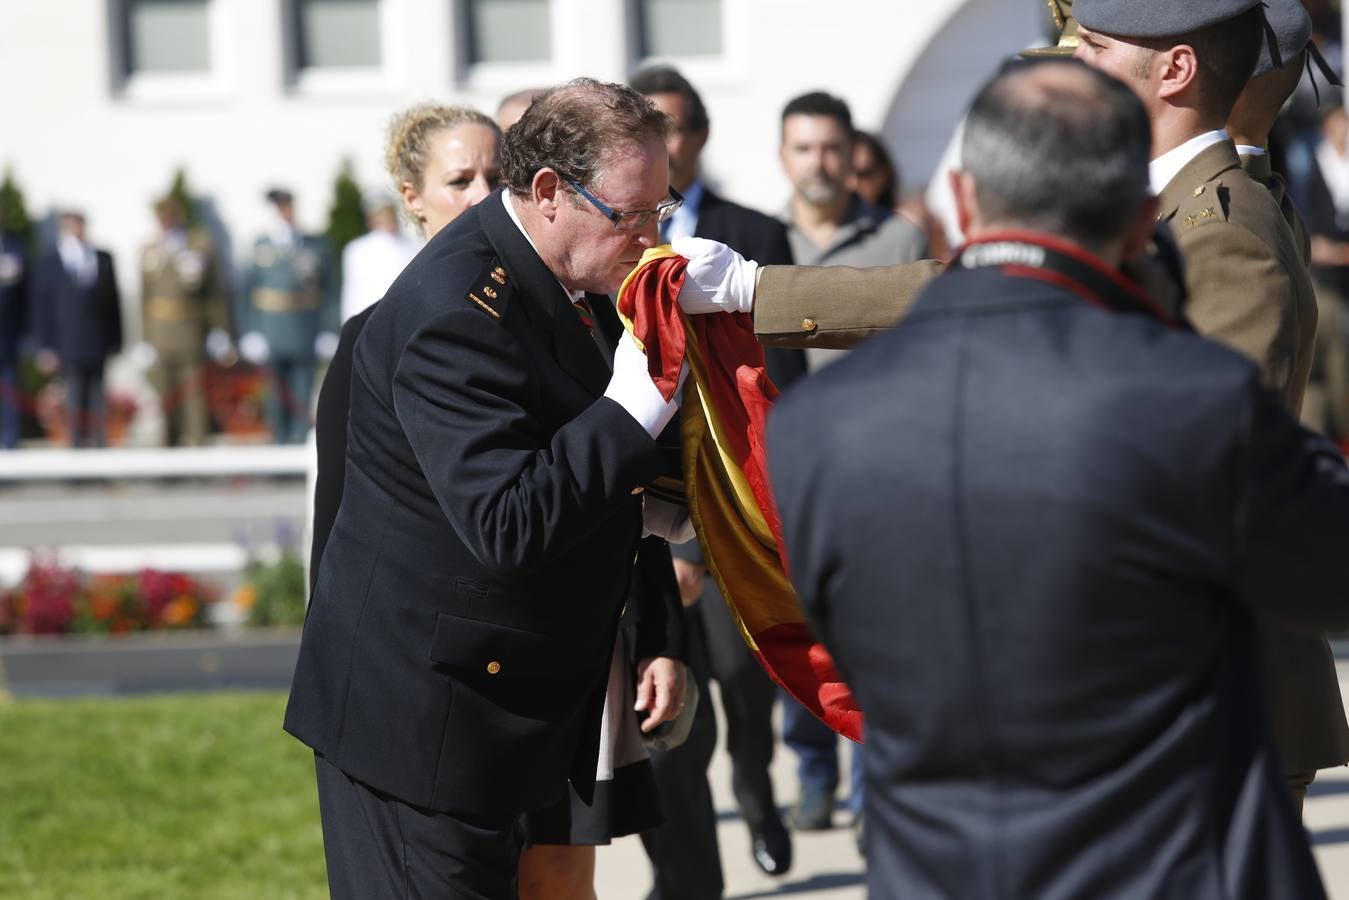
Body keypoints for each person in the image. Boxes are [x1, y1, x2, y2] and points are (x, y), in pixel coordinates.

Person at [768, 57, 1348, 900]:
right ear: (1143, 219)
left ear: (961, 205)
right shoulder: (1193, 397)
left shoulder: (816, 428)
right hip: (1171, 867)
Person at [286, 79, 691, 899]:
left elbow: (601, 474)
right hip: (423, 727)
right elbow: (508, 520)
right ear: (547, 193)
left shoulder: (565, 277)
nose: (651, 237)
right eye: (632, 215)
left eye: (663, 208)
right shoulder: (454, 310)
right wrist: (632, 405)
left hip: (500, 704)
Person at [629, 63, 796, 890]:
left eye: (676, 126)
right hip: (647, 512)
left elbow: (786, 375)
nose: (665, 141)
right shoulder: (610, 242)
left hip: (735, 504)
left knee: (742, 677)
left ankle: (760, 795)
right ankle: (690, 864)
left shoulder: (753, 230)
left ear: (698, 135)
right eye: (646, 127)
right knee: (674, 703)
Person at [237, 188, 338, 445]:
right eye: (280, 207)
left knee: (302, 391)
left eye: (288, 206)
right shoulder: (261, 246)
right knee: (274, 394)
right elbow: (248, 292)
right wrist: (250, 331)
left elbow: (328, 291)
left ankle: (297, 444)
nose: (285, 212)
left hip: (304, 328)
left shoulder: (314, 245)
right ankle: (278, 445)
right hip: (271, 328)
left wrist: (328, 329)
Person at [135, 195, 231, 447]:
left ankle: (197, 449)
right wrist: (143, 338)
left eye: (170, 216)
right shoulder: (149, 249)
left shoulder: (199, 245)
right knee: (165, 397)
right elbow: (144, 298)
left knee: (193, 398)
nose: (165, 222)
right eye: (161, 218)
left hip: (191, 331)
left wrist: (219, 330)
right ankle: (168, 454)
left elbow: (213, 294)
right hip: (160, 333)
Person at [33, 211, 122, 448]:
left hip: (97, 342)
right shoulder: (51, 261)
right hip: (68, 343)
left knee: (97, 401)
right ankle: (76, 454)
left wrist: (116, 341)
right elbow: (43, 307)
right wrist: (45, 347)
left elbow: (113, 304)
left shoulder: (100, 258)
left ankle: (99, 451)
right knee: (74, 400)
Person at [337, 190, 419, 323]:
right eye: (380, 215)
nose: (386, 219)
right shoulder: (357, 249)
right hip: (369, 321)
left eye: (389, 213)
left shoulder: (413, 246)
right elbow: (352, 293)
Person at [0, 209, 30, 450]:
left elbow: (26, 296)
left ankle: (10, 446)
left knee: (10, 395)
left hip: (7, 336)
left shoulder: (13, 246)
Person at [850, 130, 898, 212]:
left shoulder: (897, 223)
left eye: (863, 175)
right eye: (845, 174)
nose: (853, 183)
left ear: (884, 175)